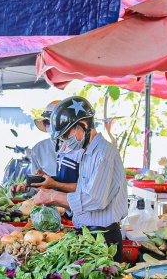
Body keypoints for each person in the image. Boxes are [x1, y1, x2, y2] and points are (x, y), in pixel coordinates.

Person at [33, 96, 128, 260]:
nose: (65, 141)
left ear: (83, 126)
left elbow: (94, 199)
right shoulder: (88, 152)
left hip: (102, 237)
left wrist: (53, 196)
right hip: (88, 234)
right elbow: (83, 190)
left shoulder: (103, 153)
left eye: (66, 134)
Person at [10, 101, 60, 196]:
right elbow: (36, 181)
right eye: (47, 122)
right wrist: (25, 186)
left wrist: (56, 184)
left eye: (53, 122)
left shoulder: (80, 148)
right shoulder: (38, 149)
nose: (51, 126)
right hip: (49, 203)